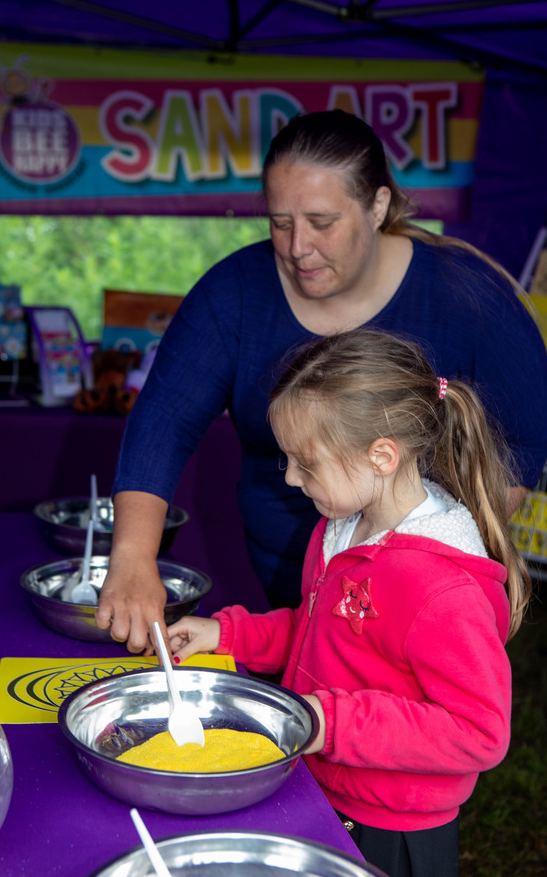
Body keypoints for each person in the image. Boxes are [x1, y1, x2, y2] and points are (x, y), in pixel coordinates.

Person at [96, 109, 547, 654]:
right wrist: (132, 558)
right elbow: (162, 424)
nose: (296, 247)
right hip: (283, 585)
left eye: (322, 222)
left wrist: (424, 558)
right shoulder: (234, 292)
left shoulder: (471, 296)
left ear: (377, 206)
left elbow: (524, 442)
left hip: (415, 601)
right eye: (280, 222)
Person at [167, 328, 530, 877]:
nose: (290, 477)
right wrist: (228, 636)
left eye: (305, 463)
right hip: (323, 782)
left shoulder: (441, 589)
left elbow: (478, 731)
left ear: (380, 456)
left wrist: (328, 722)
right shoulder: (342, 529)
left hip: (391, 825)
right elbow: (317, 633)